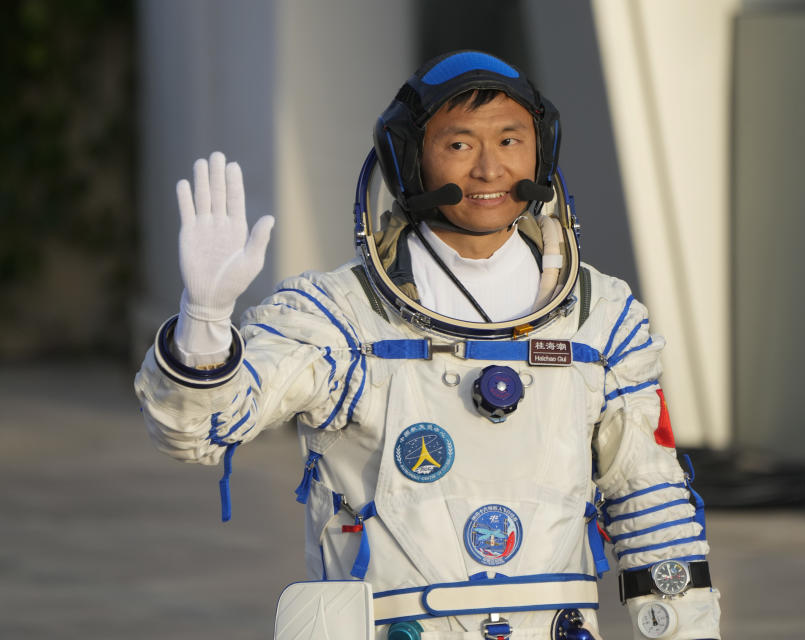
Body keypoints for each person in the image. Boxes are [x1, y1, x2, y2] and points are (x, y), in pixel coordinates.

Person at [134, 50, 722, 640]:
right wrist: (205, 320)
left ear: (542, 150)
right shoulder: (341, 317)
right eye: (460, 145)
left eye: (511, 141)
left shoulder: (601, 318)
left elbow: (651, 500)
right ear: (409, 160)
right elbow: (200, 429)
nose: (490, 170)